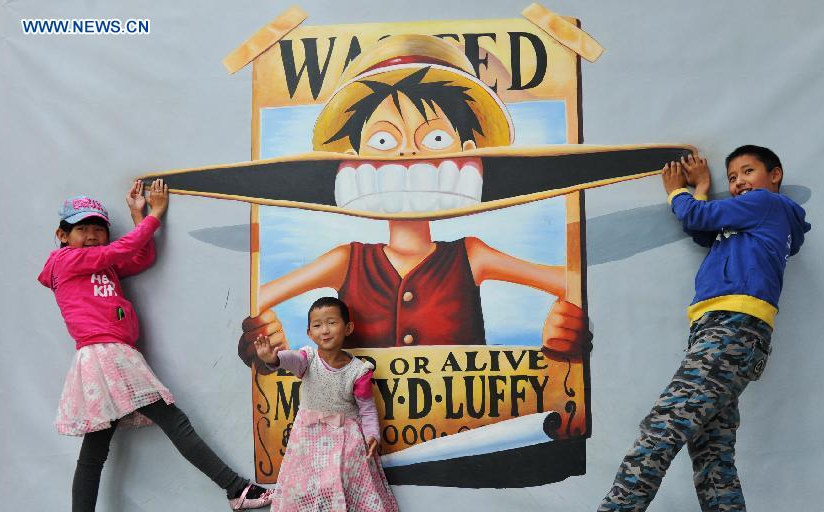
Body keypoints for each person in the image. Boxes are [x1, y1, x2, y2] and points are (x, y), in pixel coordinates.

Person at [542, 146, 810, 512]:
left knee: (661, 428)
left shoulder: (768, 204)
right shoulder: (754, 223)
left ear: (775, 174)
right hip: (724, 334)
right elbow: (705, 232)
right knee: (712, 457)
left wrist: (679, 192)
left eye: (749, 171)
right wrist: (702, 190)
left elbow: (696, 218)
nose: (740, 180)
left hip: (730, 330)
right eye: (734, 175)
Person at [238, 34, 587, 366]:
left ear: (468, 154)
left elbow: (571, 281)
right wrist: (263, 332)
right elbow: (258, 298)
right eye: (385, 142)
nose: (407, 153)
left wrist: (566, 323)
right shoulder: (348, 259)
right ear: (353, 157)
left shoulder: (471, 255)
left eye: (434, 137)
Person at [38, 180, 271, 512]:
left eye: (98, 228)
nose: (92, 235)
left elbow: (139, 258)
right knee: (172, 420)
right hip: (105, 355)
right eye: (82, 228)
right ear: (63, 235)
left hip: (114, 357)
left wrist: (137, 218)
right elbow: (123, 249)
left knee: (94, 455)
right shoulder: (64, 262)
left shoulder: (102, 262)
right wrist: (155, 217)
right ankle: (236, 489)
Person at [253, 296, 398, 512]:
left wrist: (372, 435)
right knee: (309, 498)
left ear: (348, 327)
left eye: (332, 322)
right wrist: (272, 358)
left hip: (347, 441)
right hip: (308, 441)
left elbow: (367, 408)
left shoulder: (359, 371)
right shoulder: (306, 360)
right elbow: (287, 360)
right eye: (317, 325)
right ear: (310, 333)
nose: (325, 330)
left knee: (346, 493)